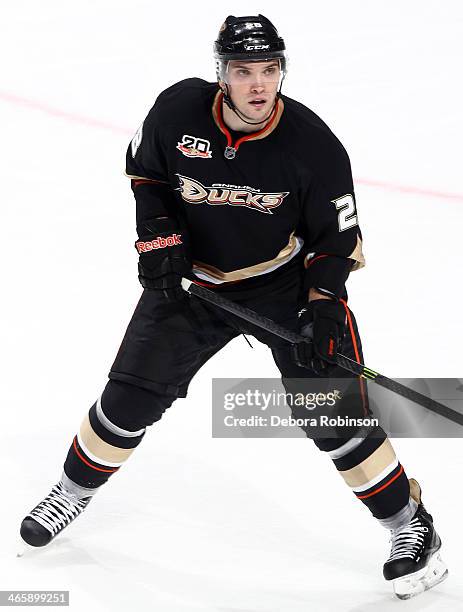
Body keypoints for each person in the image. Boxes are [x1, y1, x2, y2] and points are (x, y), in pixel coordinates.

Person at [20, 14, 447, 600]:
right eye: (243, 71)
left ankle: (410, 525)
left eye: (268, 71)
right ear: (222, 73)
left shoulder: (313, 147)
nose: (257, 85)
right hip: (193, 286)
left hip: (285, 288)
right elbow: (147, 175)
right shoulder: (175, 112)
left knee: (334, 416)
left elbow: (338, 238)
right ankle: (71, 492)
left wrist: (323, 309)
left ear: (281, 72)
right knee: (128, 396)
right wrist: (160, 241)